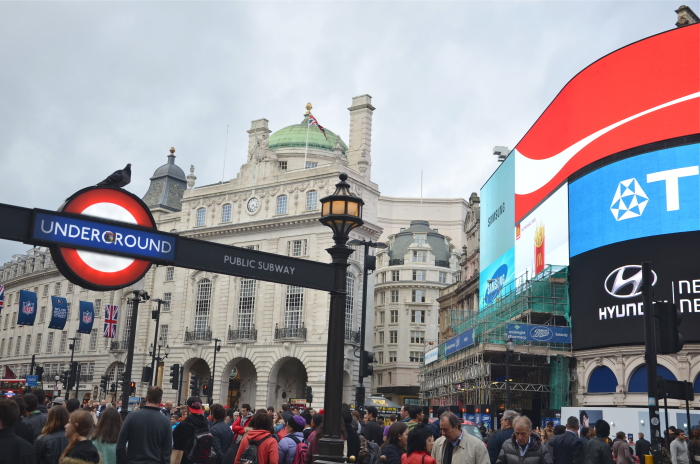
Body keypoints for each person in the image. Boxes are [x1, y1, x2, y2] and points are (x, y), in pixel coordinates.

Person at [117, 386, 172, 464]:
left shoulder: (132, 416)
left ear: (146, 398)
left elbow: (120, 445)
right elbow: (167, 451)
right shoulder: (166, 421)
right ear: (160, 400)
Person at [171, 396, 211, 464]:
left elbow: (175, 446)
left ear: (188, 408)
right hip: (202, 460)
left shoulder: (183, 425)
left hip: (185, 460)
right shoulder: (206, 425)